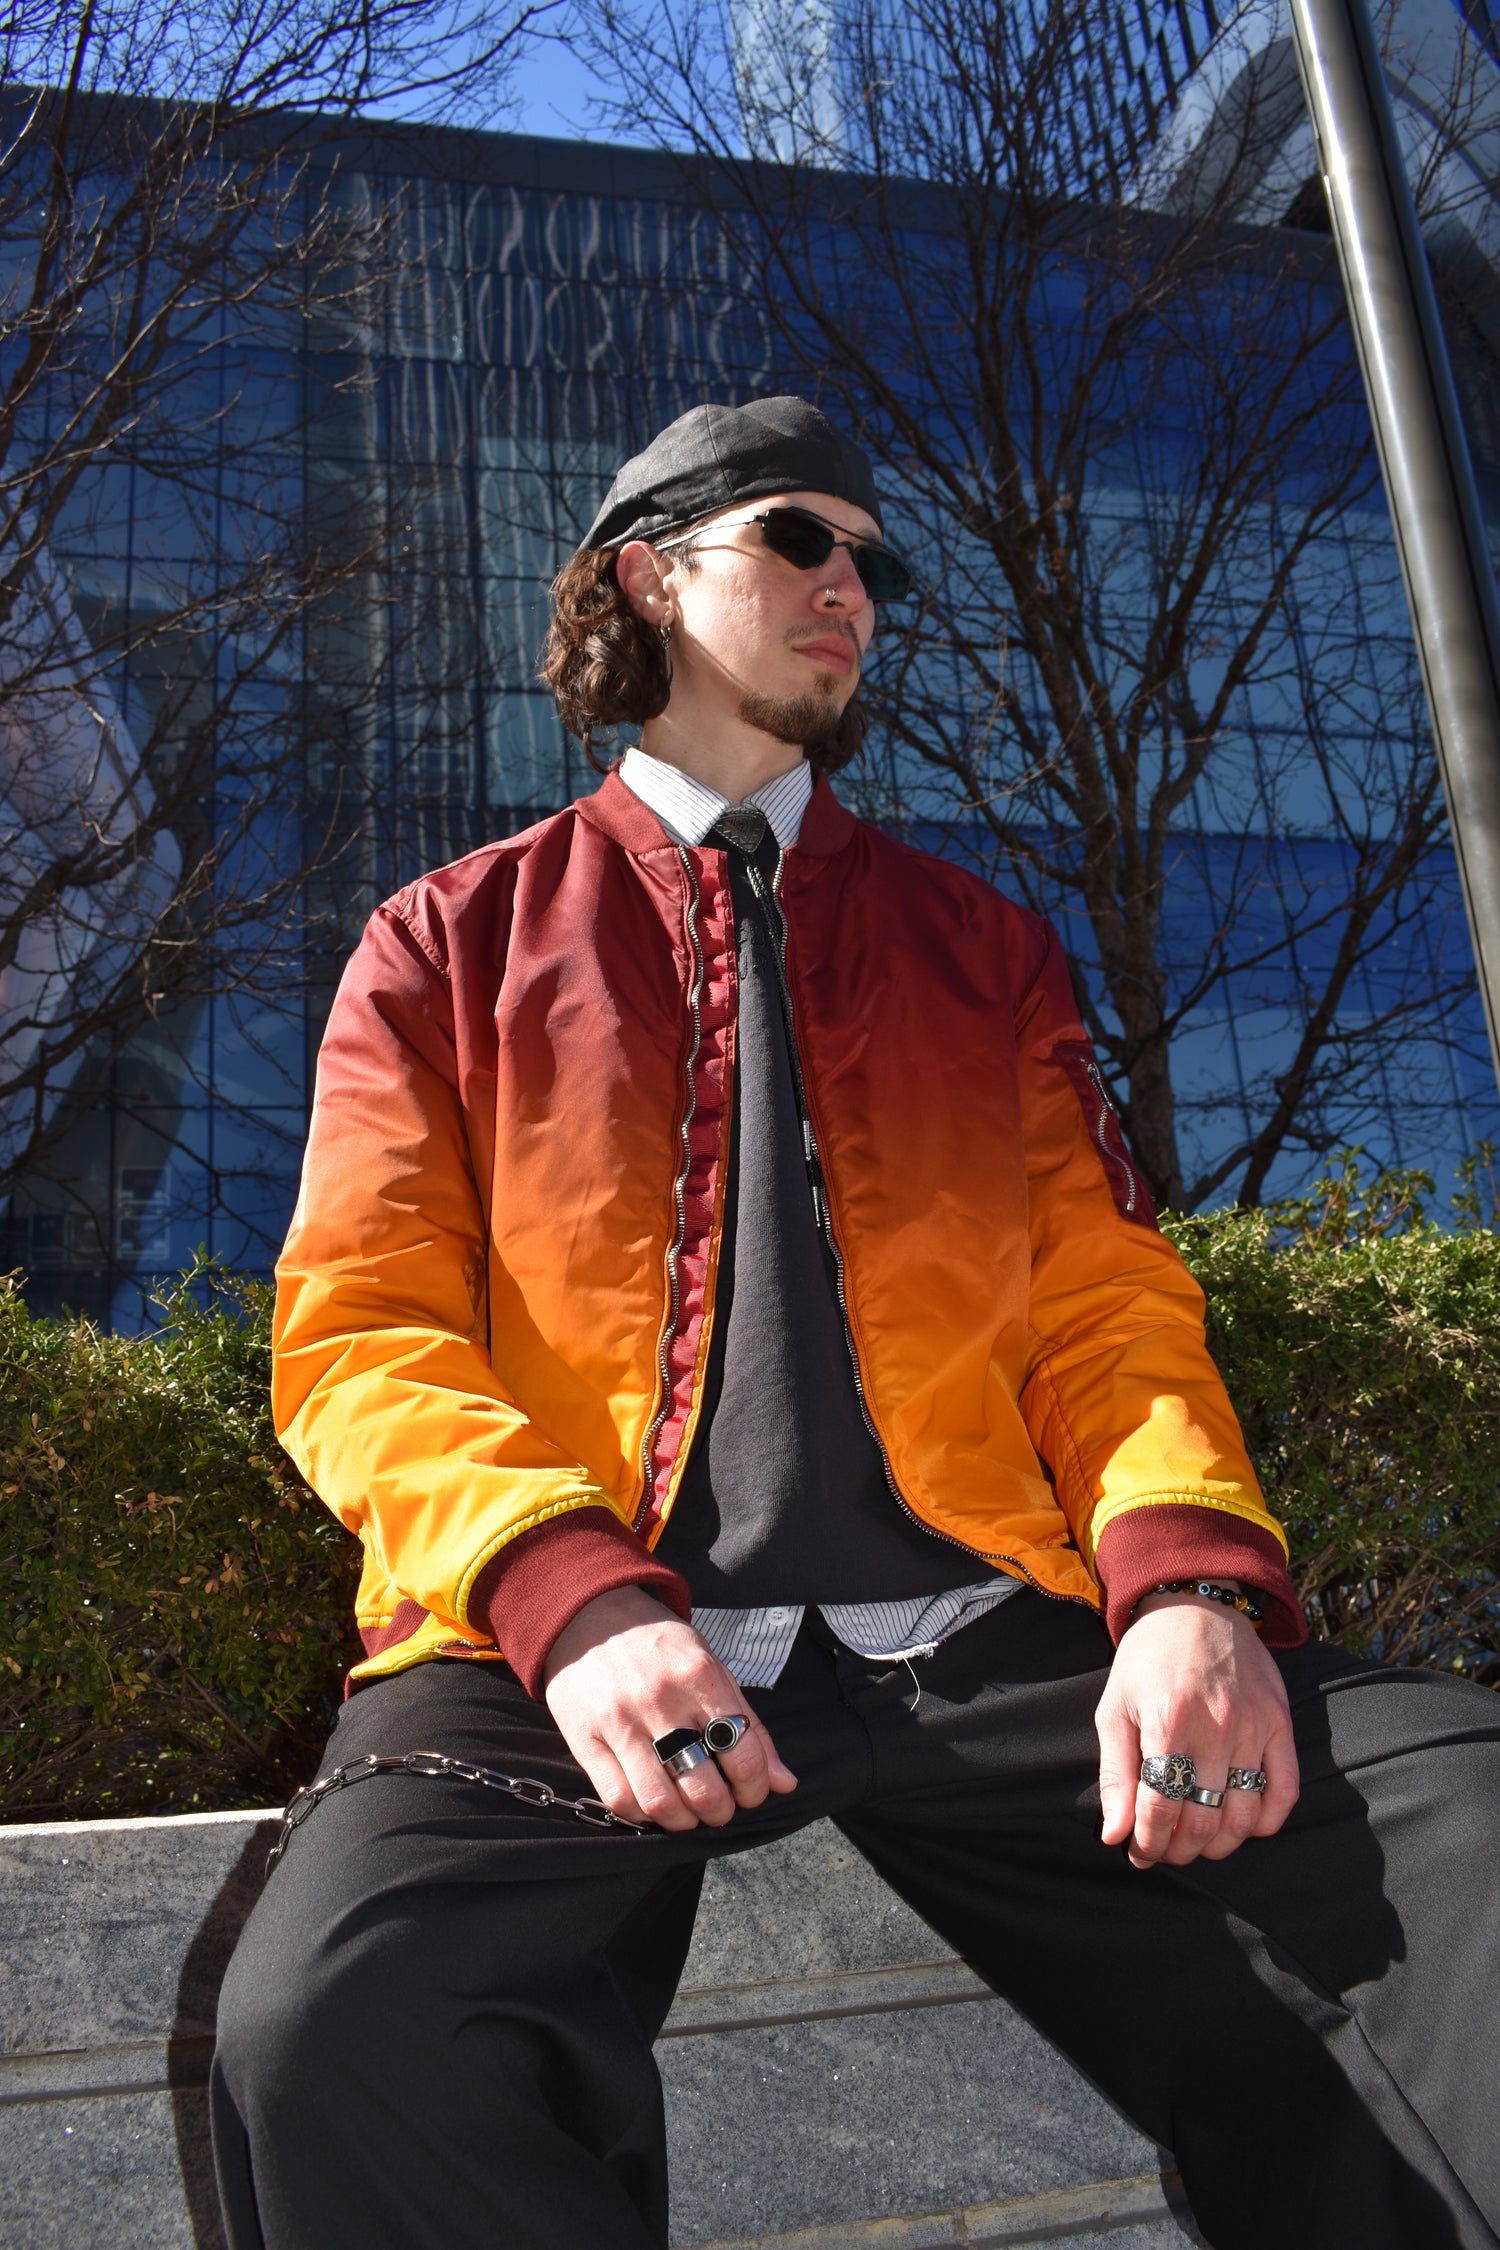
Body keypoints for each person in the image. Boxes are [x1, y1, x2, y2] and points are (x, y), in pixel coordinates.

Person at [211, 396, 1500, 2250]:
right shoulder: (450, 941)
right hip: (577, 1633)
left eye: (875, 561)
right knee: (329, 2017)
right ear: (648, 578)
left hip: (984, 1629)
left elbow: (1107, 1308)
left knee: (1460, 1816)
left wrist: (1189, 1590)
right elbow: (362, 1333)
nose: (854, 588)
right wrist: (569, 1599)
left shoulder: (984, 948)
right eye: (799, 540)